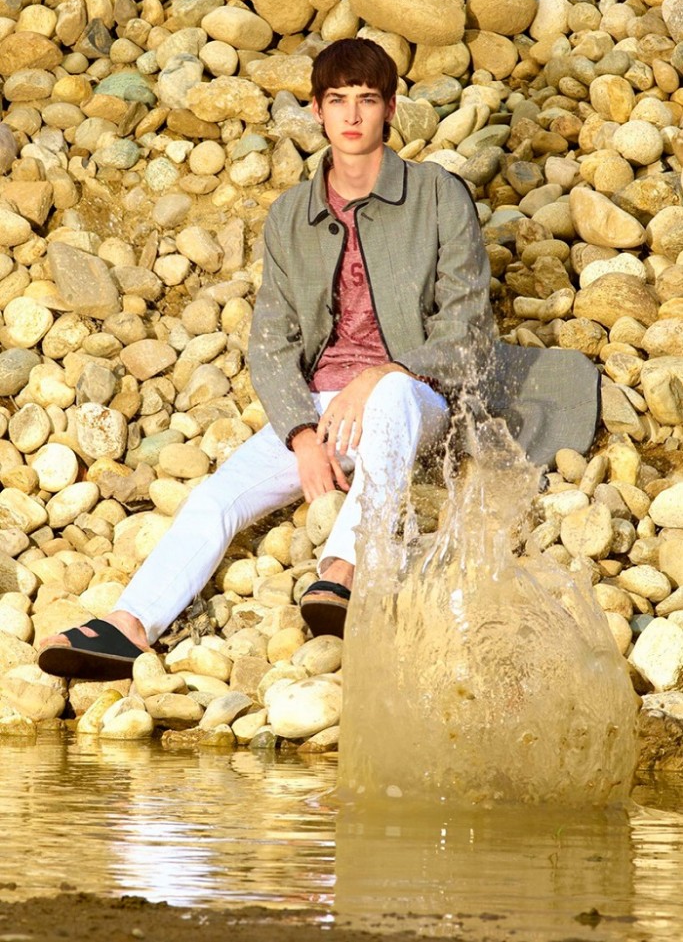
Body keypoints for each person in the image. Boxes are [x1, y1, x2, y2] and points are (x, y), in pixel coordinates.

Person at [37, 37, 499, 680]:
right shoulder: (290, 215)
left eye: (367, 100)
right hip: (323, 410)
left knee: (391, 395)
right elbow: (271, 341)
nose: (353, 115)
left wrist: (383, 373)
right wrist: (302, 435)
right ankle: (131, 625)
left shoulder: (437, 195)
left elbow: (469, 322)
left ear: (391, 108)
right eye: (338, 100)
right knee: (219, 496)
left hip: (414, 395)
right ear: (317, 111)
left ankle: (344, 568)